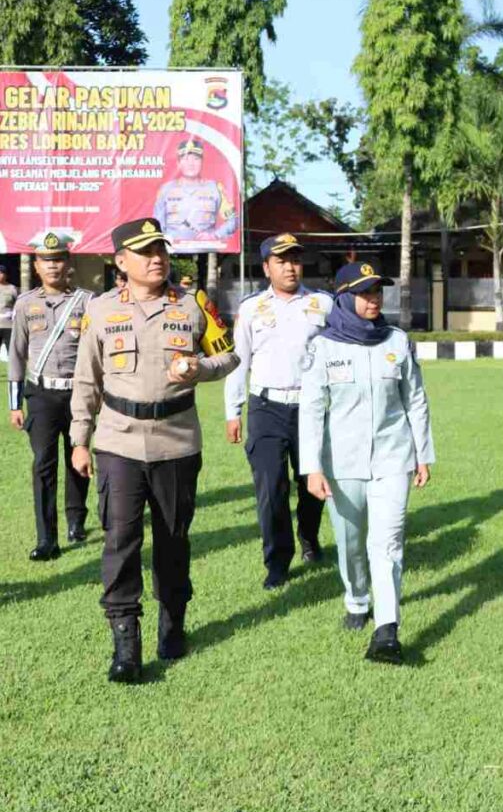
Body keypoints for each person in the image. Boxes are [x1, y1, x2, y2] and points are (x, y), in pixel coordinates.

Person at [70, 218, 239, 683]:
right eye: (145, 251)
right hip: (118, 440)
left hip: (177, 441)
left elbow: (229, 355)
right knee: (120, 539)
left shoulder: (192, 304)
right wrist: (79, 439)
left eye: (161, 249)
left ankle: (174, 623)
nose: (157, 258)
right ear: (121, 262)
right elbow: (87, 380)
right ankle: (126, 640)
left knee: (173, 538)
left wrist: (199, 370)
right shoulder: (101, 310)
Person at [299, 261, 434, 665]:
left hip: (394, 456)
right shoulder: (322, 346)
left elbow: (416, 399)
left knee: (387, 543)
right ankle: (357, 599)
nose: (374, 299)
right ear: (343, 297)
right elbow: (311, 409)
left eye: (378, 291)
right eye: (365, 292)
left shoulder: (397, 340)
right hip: (342, 463)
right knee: (351, 542)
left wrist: (422, 453)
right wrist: (312, 466)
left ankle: (387, 629)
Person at [225, 234, 335, 590]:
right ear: (266, 267)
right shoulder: (252, 308)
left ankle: (309, 537)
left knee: (311, 484)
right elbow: (238, 361)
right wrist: (233, 409)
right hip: (266, 407)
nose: (290, 267)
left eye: (295, 260)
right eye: (281, 260)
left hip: (311, 407)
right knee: (271, 488)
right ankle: (277, 561)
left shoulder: (323, 303)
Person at [7, 233, 91, 559]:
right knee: (43, 463)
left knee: (76, 457)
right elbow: (16, 354)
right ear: (37, 265)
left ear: (67, 263)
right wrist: (15, 404)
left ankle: (76, 518)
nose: (52, 265)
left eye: (58, 259)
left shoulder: (86, 301)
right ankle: (47, 539)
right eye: (46, 260)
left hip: (77, 393)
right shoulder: (26, 303)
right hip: (41, 394)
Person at [153, 137, 238, 244]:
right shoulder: (165, 190)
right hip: (172, 252)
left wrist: (215, 235)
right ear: (178, 164)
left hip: (207, 251)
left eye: (196, 159)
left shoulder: (215, 188)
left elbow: (234, 220)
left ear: (202, 162)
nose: (191, 163)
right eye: (185, 159)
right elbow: (157, 225)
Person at [0, 263, 18, 358]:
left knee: (11, 352)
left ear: (5, 275)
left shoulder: (12, 288)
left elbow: (18, 305)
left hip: (8, 325)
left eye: (1, 273)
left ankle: (13, 372)